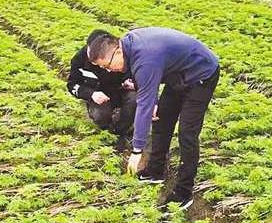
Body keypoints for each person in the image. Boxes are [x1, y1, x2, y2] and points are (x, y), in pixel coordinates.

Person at [88, 27, 220, 210]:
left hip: (201, 74)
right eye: (103, 68)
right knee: (161, 119)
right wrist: (154, 100)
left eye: (108, 65)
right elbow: (147, 79)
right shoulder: (128, 46)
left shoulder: (144, 57)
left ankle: (184, 192)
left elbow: (144, 104)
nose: (108, 70)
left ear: (117, 50)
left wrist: (137, 151)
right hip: (177, 74)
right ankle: (155, 171)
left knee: (187, 134)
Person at [67, 29, 137, 150]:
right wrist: (91, 94)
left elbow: (136, 75)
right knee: (100, 115)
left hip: (121, 91)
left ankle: (122, 130)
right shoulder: (79, 60)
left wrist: (129, 81)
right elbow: (72, 84)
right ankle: (106, 131)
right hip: (100, 96)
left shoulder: (120, 55)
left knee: (134, 99)